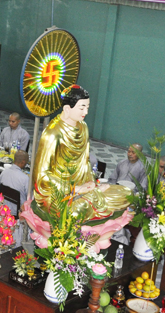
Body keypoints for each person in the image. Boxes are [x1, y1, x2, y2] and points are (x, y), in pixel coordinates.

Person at [33, 86, 131, 221]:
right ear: (67, 109)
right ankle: (90, 202)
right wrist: (76, 189)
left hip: (83, 188)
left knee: (127, 193)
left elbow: (85, 163)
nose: (86, 112)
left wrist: (92, 185)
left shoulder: (83, 127)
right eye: (82, 108)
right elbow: (42, 176)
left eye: (88, 107)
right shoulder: (52, 134)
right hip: (59, 193)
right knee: (75, 211)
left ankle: (92, 199)